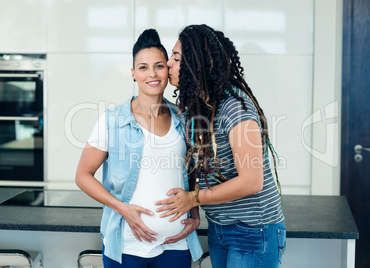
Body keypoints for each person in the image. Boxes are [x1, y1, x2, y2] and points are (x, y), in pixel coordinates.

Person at [155, 24, 286, 268]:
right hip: (220, 227)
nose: (168, 63)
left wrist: (192, 199)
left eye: (175, 57)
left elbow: (252, 181)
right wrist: (194, 210)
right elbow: (195, 164)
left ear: (198, 64)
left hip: (254, 231)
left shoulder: (234, 107)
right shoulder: (195, 107)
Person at [75, 28, 202, 268]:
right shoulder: (112, 120)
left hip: (175, 244)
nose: (152, 74)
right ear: (133, 74)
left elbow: (192, 169)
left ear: (168, 69)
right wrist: (122, 209)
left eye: (159, 66)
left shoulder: (184, 118)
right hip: (127, 245)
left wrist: (194, 211)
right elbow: (82, 176)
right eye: (143, 67)